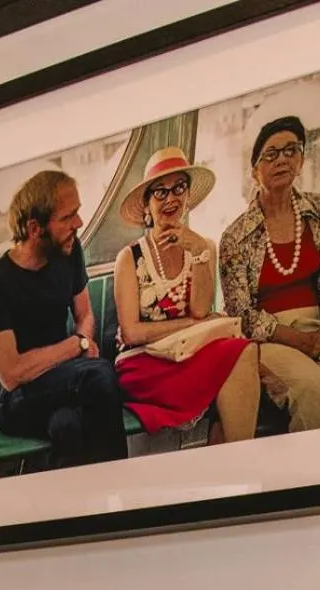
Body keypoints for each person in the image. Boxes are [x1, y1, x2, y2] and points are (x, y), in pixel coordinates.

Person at [219, 116, 320, 432]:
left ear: (301, 159)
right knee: (314, 387)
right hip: (271, 339)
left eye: (291, 150)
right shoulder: (236, 236)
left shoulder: (319, 209)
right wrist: (303, 342)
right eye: (270, 154)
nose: (282, 159)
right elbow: (242, 317)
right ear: (255, 170)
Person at [0, 170, 128, 468]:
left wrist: (81, 340)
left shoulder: (69, 252)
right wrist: (76, 346)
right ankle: (119, 487)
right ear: (35, 228)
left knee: (66, 424)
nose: (79, 224)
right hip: (17, 396)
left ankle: (80, 508)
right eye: (68, 217)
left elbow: (85, 315)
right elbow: (11, 373)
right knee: (100, 375)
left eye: (79, 213)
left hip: (66, 378)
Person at [113, 147, 260, 444]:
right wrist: (191, 326)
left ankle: (236, 459)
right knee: (238, 362)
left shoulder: (203, 246)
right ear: (146, 206)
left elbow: (201, 311)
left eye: (179, 188)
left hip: (187, 353)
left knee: (244, 350)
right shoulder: (129, 258)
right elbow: (131, 333)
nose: (171, 199)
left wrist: (200, 254)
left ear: (188, 196)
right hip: (143, 362)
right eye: (160, 192)